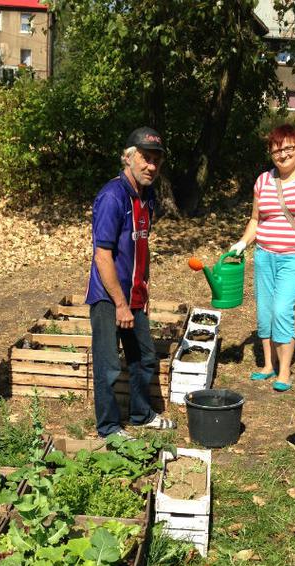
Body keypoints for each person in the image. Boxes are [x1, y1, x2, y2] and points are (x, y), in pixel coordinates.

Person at [86, 126, 176, 438]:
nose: (151, 165)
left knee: (144, 357)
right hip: (109, 299)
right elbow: (102, 256)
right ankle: (109, 428)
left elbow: (142, 245)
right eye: (145, 158)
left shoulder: (147, 196)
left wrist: (145, 286)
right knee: (109, 365)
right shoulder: (112, 196)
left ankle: (141, 415)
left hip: (134, 295)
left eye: (156, 160)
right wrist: (121, 304)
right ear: (128, 158)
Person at [230, 124, 295, 391]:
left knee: (282, 309)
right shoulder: (263, 180)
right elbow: (255, 219)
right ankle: (267, 365)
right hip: (264, 254)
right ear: (270, 152)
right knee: (264, 310)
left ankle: (284, 371)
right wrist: (242, 242)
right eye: (277, 150)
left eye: (288, 148)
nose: (283, 154)